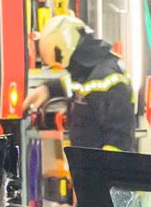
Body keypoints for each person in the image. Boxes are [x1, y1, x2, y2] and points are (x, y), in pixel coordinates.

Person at [39, 12, 137, 154]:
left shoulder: (106, 77)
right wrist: (49, 89)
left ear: (63, 51)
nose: (64, 69)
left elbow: (120, 135)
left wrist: (105, 167)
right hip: (89, 165)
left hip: (103, 169)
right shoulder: (88, 71)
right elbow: (77, 86)